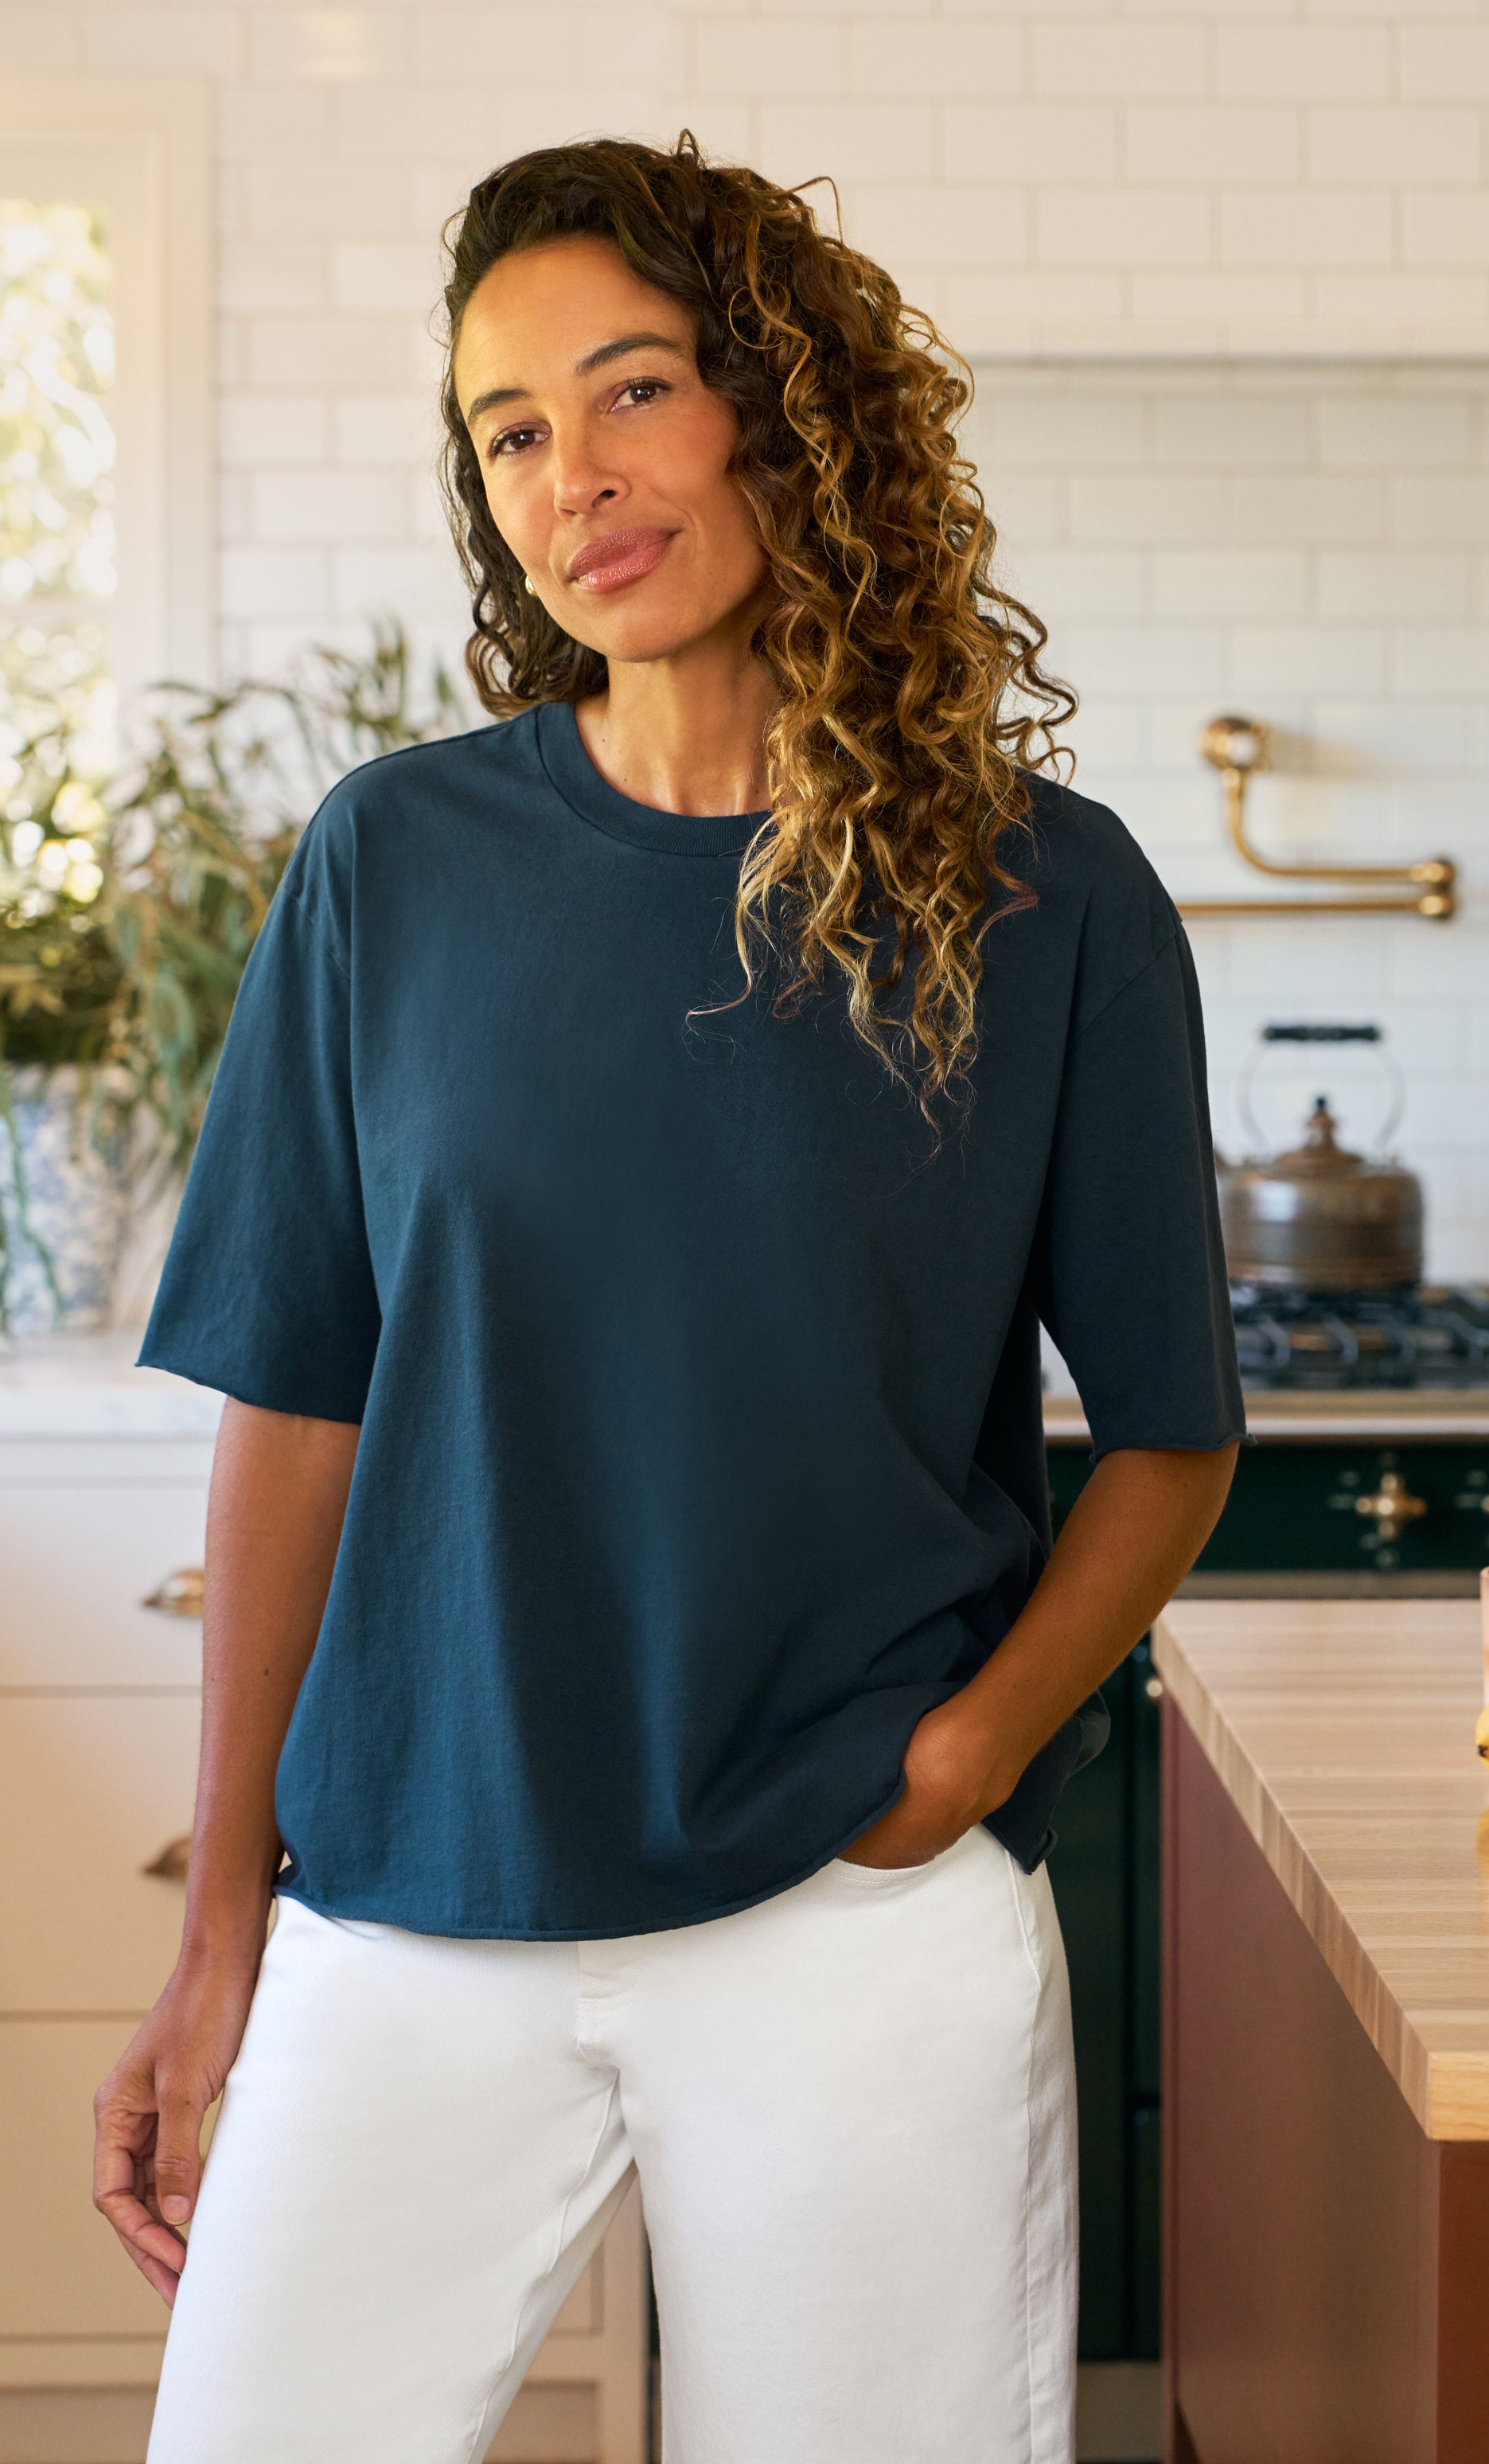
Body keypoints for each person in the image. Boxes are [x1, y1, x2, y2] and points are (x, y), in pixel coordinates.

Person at [95, 131, 1245, 2464]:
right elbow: (294, 1413)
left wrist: (967, 1757)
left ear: (778, 408)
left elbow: (1167, 1433)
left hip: (847, 1915)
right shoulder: (394, 866)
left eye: (627, 393)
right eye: (508, 432)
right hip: (412, 1902)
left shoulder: (1047, 897)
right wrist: (225, 1933)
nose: (568, 479)